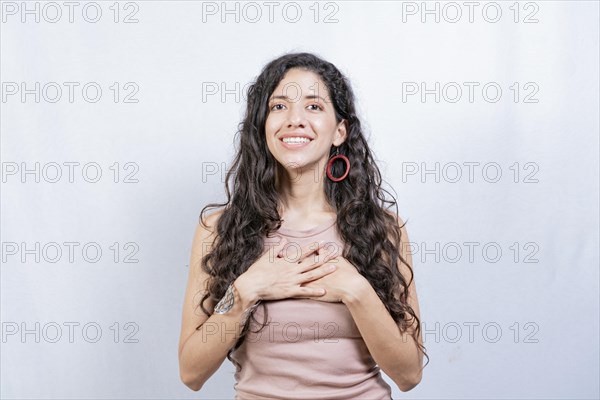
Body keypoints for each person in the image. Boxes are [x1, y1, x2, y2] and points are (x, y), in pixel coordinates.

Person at [178, 52, 428, 399]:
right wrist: (246, 290)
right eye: (279, 106)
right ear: (262, 126)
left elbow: (409, 373)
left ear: (340, 131)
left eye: (313, 106)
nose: (295, 119)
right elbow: (191, 372)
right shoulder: (219, 229)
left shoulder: (382, 229)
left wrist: (356, 291)